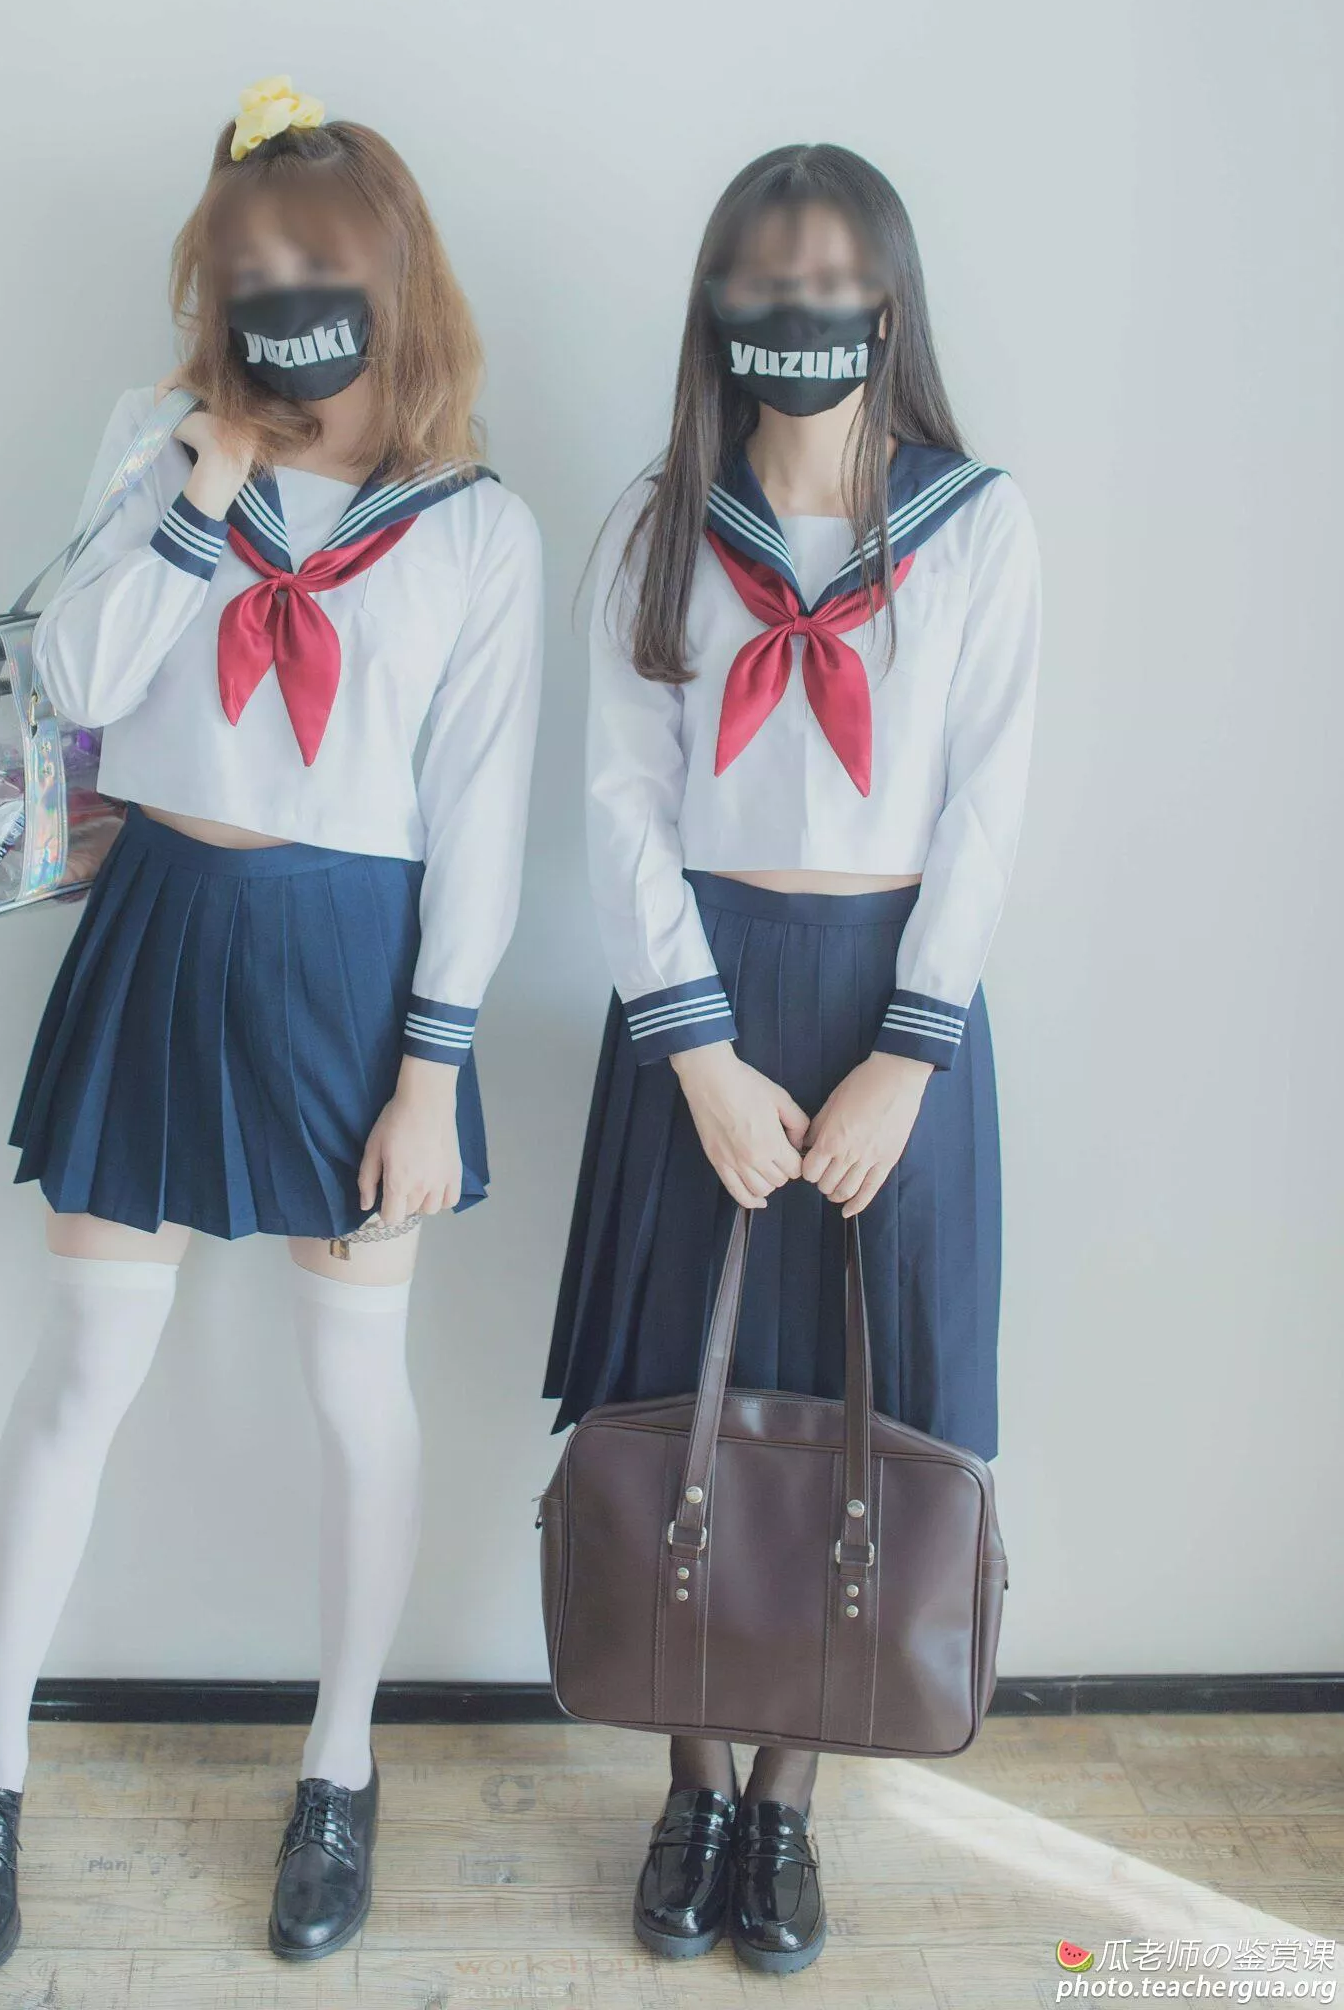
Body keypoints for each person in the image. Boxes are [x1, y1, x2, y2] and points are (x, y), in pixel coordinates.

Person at [0, 78, 544, 1975]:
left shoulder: (476, 529)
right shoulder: (153, 442)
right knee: (83, 1370)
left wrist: (432, 1070)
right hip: (163, 926)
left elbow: (480, 820)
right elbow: (78, 679)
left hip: (354, 970)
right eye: (251, 264)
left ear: (390, 280)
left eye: (318, 265)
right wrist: (202, 486)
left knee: (355, 1390)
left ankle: (340, 1768)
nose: (283, 297)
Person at [544, 142, 1039, 1977]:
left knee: (854, 1408)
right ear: (718, 309)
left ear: (887, 307)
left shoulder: (978, 526)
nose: (798, 317)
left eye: (831, 285)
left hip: (893, 998)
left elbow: (986, 807)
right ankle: (688, 1783)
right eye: (764, 285)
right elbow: (619, 808)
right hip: (705, 998)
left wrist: (910, 1056)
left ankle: (788, 1796)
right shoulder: (659, 525)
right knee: (681, 1384)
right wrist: (696, 1056)